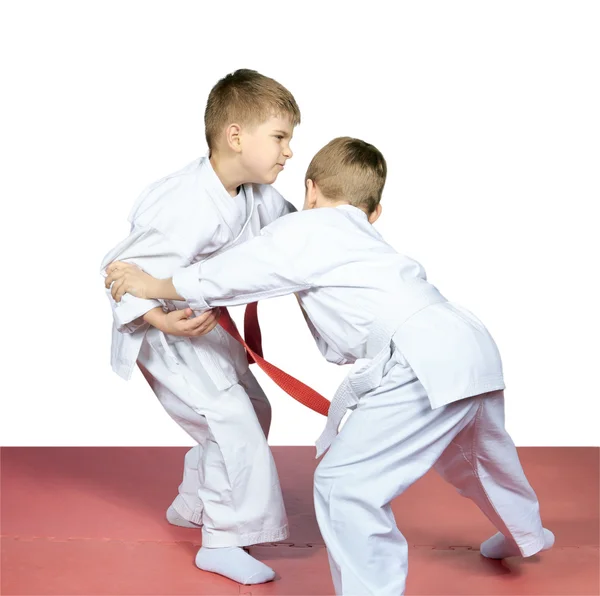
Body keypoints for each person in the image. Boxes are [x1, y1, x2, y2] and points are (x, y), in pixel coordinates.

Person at [105, 136, 554, 595]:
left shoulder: (310, 227)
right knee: (479, 454)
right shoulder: (364, 236)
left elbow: (233, 273)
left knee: (344, 484)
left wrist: (153, 282)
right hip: (471, 342)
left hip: (421, 357)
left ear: (311, 190)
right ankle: (526, 534)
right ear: (373, 211)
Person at [100, 69, 300, 585]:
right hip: (165, 335)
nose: (288, 152)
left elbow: (294, 232)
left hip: (201, 326)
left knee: (255, 409)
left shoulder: (256, 194)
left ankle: (193, 505)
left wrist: (341, 219)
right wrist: (155, 315)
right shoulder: (181, 199)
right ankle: (222, 540)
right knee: (229, 420)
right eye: (280, 137)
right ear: (236, 136)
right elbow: (120, 274)